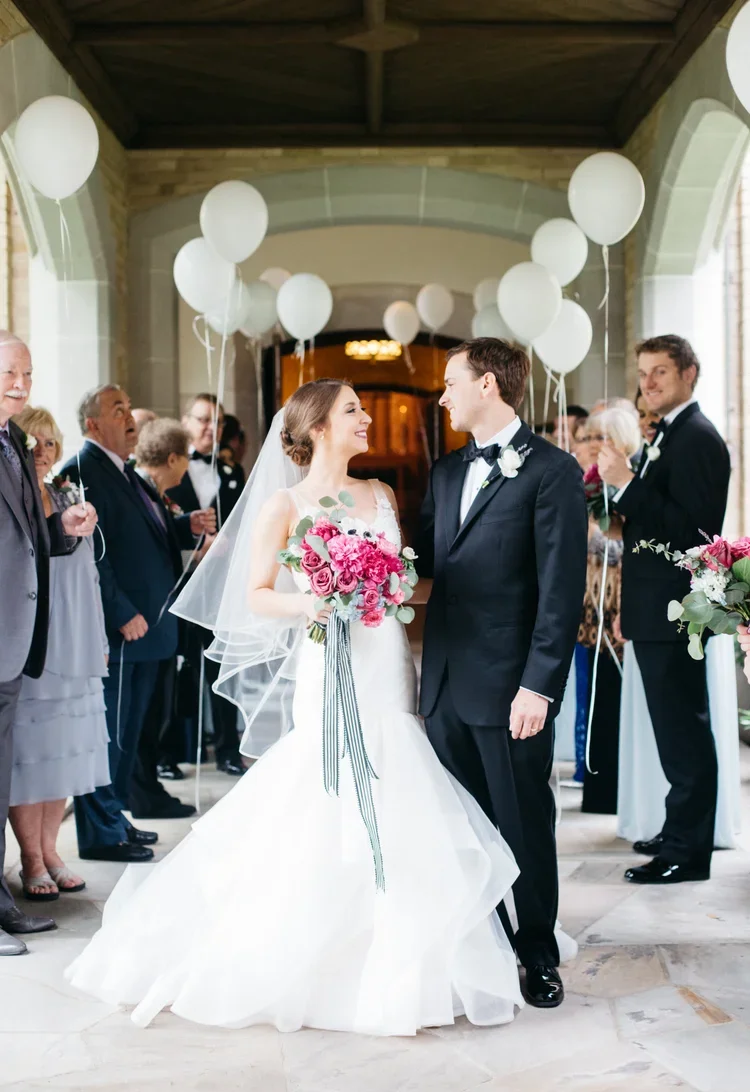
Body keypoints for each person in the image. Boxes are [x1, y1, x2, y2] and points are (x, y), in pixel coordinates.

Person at [65, 378, 526, 1034]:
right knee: (323, 785)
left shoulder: (382, 495)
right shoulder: (284, 505)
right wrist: (313, 601)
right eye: (352, 412)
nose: (367, 419)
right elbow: (255, 593)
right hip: (326, 655)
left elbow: (409, 583)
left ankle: (404, 951)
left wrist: (414, 586)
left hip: (384, 658)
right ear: (315, 430)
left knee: (400, 779)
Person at [418, 338, 588, 1009]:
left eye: (451, 383)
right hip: (444, 687)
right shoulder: (443, 472)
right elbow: (426, 562)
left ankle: (537, 952)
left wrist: (538, 685)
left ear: (487, 385)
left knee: (521, 825)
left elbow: (560, 591)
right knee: (462, 828)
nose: (443, 395)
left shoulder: (552, 472)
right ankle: (482, 949)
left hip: (511, 686)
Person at [600, 334, 731, 884]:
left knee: (684, 733)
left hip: (677, 610)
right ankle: (680, 830)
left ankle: (688, 850)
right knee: (672, 731)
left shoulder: (698, 439)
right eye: (644, 373)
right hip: (655, 609)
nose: (648, 383)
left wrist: (627, 484)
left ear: (689, 374)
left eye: (660, 372)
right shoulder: (667, 436)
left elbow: (694, 534)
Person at [62, 386, 214, 860]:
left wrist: (182, 524)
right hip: (124, 629)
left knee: (128, 737)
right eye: (117, 410)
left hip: (152, 627)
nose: (130, 417)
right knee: (111, 733)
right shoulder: (82, 470)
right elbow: (92, 555)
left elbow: (139, 534)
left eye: (129, 407)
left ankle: (117, 818)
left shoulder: (124, 470)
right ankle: (101, 833)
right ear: (92, 424)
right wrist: (121, 611)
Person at [0, 331, 98, 957]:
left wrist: (62, 527)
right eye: (11, 372)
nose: (21, 385)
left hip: (14, 640)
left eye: (28, 375)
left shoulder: (13, 439)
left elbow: (27, 534)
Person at [9, 407, 110, 902]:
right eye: (35, 442)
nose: (45, 452)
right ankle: (30, 857)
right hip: (36, 636)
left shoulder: (71, 495)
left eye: (51, 442)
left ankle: (51, 849)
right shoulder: (17, 500)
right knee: (33, 754)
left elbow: (88, 573)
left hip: (76, 634)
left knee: (66, 750)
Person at [130, 418, 216, 814]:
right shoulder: (137, 489)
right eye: (183, 460)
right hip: (144, 621)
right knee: (143, 719)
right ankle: (141, 792)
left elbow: (160, 535)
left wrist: (184, 525)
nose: (185, 471)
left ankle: (148, 789)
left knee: (156, 713)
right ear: (173, 458)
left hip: (160, 622)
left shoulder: (154, 494)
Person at [167, 393, 246, 777]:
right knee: (180, 669)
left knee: (221, 666)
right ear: (185, 422)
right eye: (202, 420)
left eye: (216, 422)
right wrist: (195, 549)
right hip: (179, 586)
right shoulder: (170, 470)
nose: (210, 429)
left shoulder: (232, 473)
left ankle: (228, 748)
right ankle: (174, 750)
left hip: (222, 589)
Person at [577, 404, 641, 815]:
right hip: (593, 597)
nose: (592, 447)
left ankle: (620, 790)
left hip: (620, 595)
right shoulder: (593, 482)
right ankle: (600, 790)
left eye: (600, 438)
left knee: (619, 694)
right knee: (599, 693)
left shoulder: (631, 480)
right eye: (589, 438)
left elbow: (622, 539)